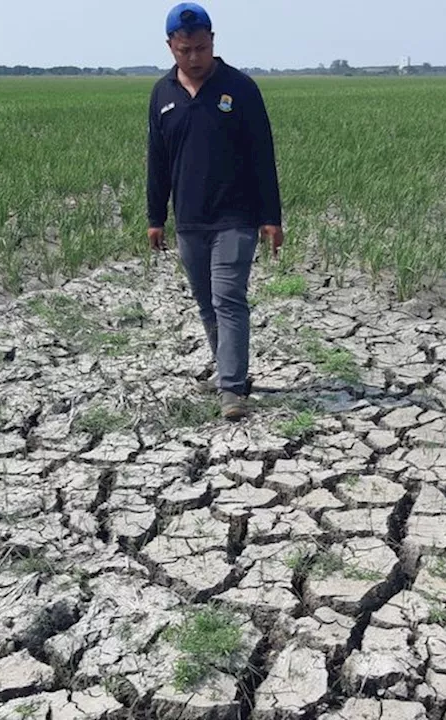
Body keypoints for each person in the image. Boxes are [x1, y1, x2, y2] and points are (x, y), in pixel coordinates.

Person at [146, 2, 284, 421]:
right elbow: (158, 160)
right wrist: (155, 218)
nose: (193, 57)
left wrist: (271, 217)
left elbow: (263, 155)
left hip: (236, 217)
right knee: (206, 303)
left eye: (201, 48)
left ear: (213, 42)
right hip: (190, 218)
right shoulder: (163, 94)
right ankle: (229, 370)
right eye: (184, 49)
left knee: (228, 299)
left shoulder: (240, 88)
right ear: (170, 45)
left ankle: (232, 389)